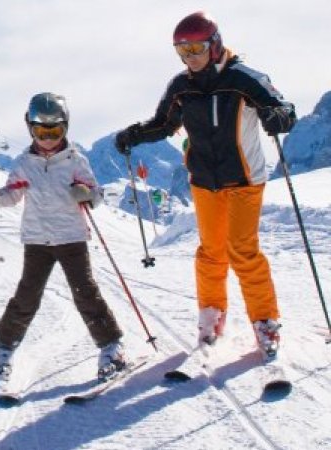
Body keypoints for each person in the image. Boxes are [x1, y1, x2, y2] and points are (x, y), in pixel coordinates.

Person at [114, 11, 296, 360]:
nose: (190, 57)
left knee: (242, 250)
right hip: (204, 182)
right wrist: (135, 134)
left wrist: (278, 116)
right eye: (182, 51)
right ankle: (211, 318)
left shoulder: (244, 78)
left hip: (244, 178)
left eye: (195, 48)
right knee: (211, 252)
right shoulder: (182, 87)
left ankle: (265, 322)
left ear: (214, 44)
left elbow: (283, 108)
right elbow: (164, 124)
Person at [0, 92, 126, 382]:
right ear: (30, 128)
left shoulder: (75, 161)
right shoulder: (24, 163)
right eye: (40, 131)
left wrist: (87, 195)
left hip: (71, 238)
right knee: (26, 296)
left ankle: (111, 347)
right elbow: (12, 194)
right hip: (37, 241)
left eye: (54, 131)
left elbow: (96, 194)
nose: (47, 138)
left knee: (85, 292)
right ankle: (2, 351)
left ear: (65, 127)